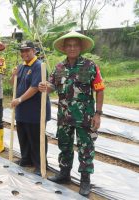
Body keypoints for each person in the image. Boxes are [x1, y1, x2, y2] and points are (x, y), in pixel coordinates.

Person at [38, 31, 105, 196]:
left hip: (85, 117)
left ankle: (85, 180)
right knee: (64, 145)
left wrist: (98, 114)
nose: (72, 48)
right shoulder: (59, 67)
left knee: (85, 148)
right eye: (69, 45)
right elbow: (53, 85)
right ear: (64, 48)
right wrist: (45, 86)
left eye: (75, 45)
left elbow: (100, 90)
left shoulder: (90, 66)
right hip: (65, 116)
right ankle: (64, 173)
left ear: (80, 47)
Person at [10, 41, 51, 176]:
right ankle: (26, 159)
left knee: (36, 138)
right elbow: (14, 83)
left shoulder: (38, 66)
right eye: (22, 51)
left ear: (34, 51)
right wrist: (13, 75)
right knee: (23, 135)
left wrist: (20, 99)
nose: (24, 53)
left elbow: (34, 88)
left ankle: (40, 164)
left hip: (35, 110)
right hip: (22, 110)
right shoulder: (22, 66)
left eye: (27, 50)